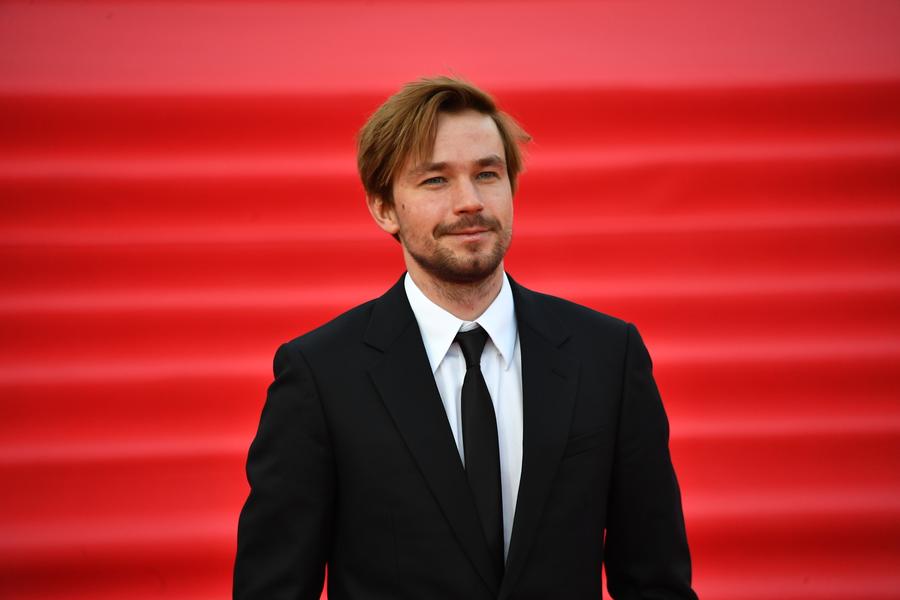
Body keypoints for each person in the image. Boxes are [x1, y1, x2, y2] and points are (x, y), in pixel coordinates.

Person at [234, 76, 698, 600]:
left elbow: (656, 582)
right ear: (384, 208)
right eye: (436, 180)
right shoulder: (320, 375)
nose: (470, 202)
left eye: (487, 174)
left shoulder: (607, 356)